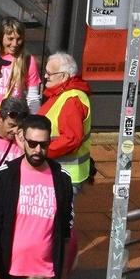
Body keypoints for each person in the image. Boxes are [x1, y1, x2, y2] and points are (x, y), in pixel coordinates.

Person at [0, 118, 74, 279]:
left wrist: (63, 277)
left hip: (46, 276)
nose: (37, 150)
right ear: (22, 139)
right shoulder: (5, 176)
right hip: (10, 275)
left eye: (43, 145)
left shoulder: (62, 179)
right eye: (32, 144)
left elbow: (66, 233)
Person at [41, 52, 93, 189]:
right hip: (60, 170)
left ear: (63, 76)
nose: (46, 76)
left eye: (49, 73)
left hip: (64, 174)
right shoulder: (61, 94)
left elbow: (71, 139)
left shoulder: (71, 101)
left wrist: (42, 151)